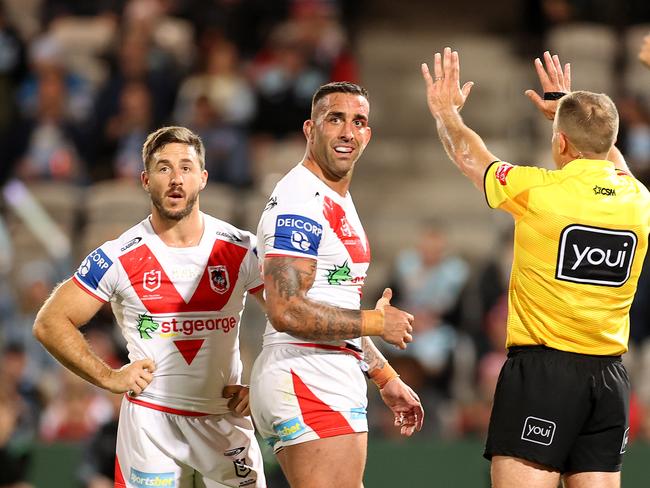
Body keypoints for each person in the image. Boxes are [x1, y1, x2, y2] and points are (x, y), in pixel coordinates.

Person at [421, 48, 650, 488]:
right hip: (609, 379)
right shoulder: (637, 200)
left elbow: (472, 157)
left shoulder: (540, 191)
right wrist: (568, 112)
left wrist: (446, 114)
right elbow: (608, 156)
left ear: (561, 143)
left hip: (544, 373)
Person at [33, 126, 266, 487]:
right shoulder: (119, 255)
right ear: (145, 180)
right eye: (163, 168)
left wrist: (262, 383)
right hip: (151, 424)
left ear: (203, 178)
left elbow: (289, 316)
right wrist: (109, 377)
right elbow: (50, 322)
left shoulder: (240, 248)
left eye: (186, 167)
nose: (176, 179)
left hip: (224, 421)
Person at [249, 81, 424, 488]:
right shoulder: (300, 201)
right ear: (310, 130)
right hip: (307, 374)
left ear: (368, 134)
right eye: (335, 119)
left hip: (319, 372)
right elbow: (287, 309)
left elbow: (329, 302)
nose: (348, 131)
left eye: (358, 121)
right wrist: (377, 323)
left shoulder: (333, 196)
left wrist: (383, 376)